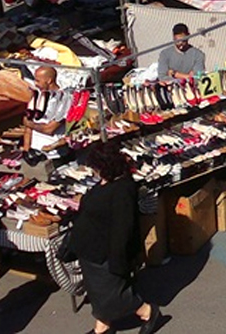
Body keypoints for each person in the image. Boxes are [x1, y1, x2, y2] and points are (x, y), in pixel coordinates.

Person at [68, 141, 161, 334]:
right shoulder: (108, 182)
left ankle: (147, 311)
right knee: (98, 292)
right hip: (92, 250)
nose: (93, 171)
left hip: (105, 253)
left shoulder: (122, 190)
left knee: (112, 294)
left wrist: (118, 260)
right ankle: (102, 326)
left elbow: (123, 229)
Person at [21, 66, 70, 152]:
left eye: (38, 81)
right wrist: (26, 149)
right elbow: (28, 127)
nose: (35, 83)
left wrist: (29, 124)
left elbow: (49, 129)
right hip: (34, 150)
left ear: (49, 81)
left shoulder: (64, 99)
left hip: (54, 152)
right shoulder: (38, 95)